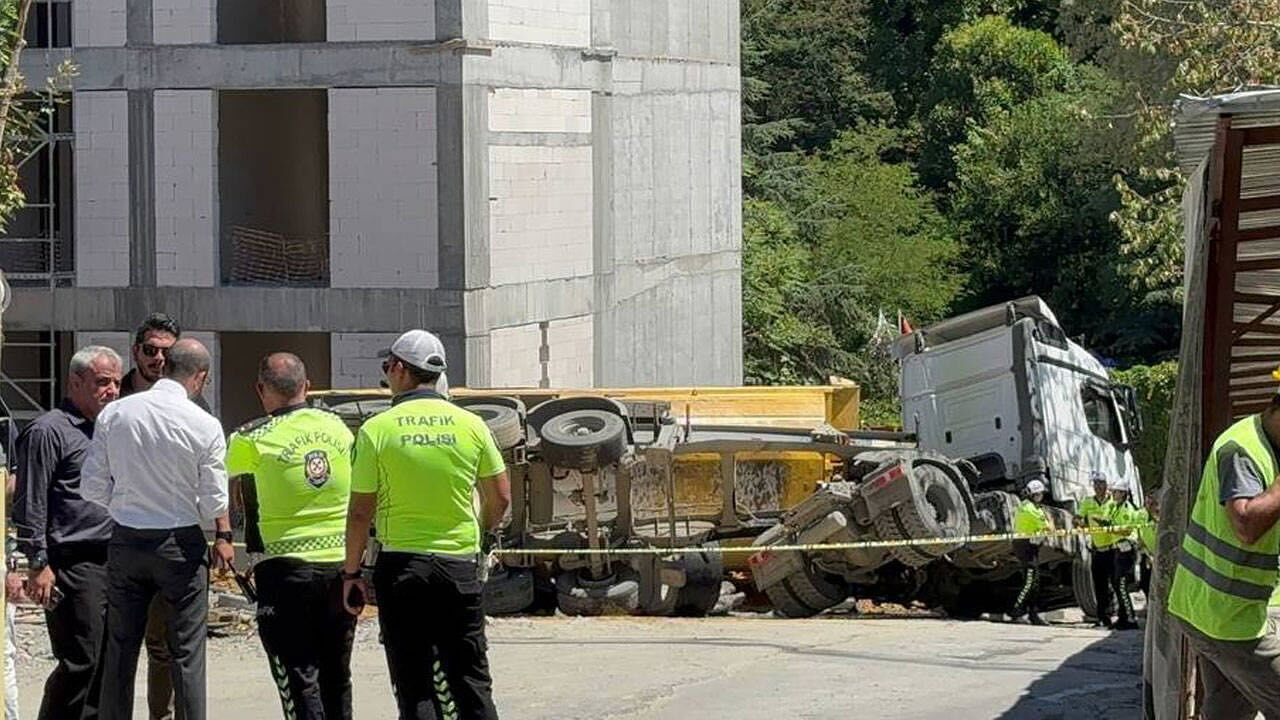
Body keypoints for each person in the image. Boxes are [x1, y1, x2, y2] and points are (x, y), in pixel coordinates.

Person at [342, 330, 511, 720]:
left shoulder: (377, 430)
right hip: (459, 566)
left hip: (403, 569)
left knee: (414, 682)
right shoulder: (472, 425)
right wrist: (483, 536)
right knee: (471, 679)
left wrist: (351, 572)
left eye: (387, 368)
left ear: (400, 369)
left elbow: (359, 514)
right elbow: (500, 497)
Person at [81, 339, 232, 720]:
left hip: (128, 539)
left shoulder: (116, 414)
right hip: (180, 543)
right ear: (200, 377)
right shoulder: (205, 423)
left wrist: (124, 504)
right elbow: (215, 502)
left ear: (164, 367)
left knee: (120, 648)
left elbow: (91, 487)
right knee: (187, 653)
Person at [225, 353, 356, 719]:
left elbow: (221, 491)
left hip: (283, 570)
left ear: (260, 389)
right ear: (307, 386)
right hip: (339, 567)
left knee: (298, 676)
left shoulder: (248, 438)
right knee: (337, 673)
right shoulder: (339, 429)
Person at [11, 346, 122, 719]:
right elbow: (30, 502)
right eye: (102, 382)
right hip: (73, 563)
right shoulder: (48, 431)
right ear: (76, 382)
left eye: (117, 384)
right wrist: (38, 563)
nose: (112, 391)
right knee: (81, 660)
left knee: (108, 662)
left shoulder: (108, 430)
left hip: (114, 559)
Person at [1167, 381, 1280, 718]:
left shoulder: (1271, 447)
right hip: (1229, 617)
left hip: (1209, 611)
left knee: (1228, 711)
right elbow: (1245, 524)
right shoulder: (1241, 449)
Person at [117, 312, 208, 720]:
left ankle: (162, 715)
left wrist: (222, 532)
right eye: (150, 350)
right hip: (117, 535)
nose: (157, 359)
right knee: (115, 643)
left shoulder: (196, 404)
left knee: (164, 642)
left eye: (165, 352)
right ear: (136, 352)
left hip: (171, 536)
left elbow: (210, 473)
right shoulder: (113, 400)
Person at [1078, 471, 1119, 627]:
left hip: (1112, 549)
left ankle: (1119, 615)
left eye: (1100, 483)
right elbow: (1079, 517)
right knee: (1099, 585)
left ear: (1106, 485)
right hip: (1097, 550)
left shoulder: (1113, 504)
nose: (1097, 487)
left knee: (1115, 584)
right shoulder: (1088, 502)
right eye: (1095, 484)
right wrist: (1079, 521)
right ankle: (1103, 617)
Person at [1010, 479, 1051, 625]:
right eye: (1040, 494)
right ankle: (1017, 612)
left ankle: (1033, 614)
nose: (1042, 496)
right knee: (1029, 581)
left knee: (1035, 581)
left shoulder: (1024, 506)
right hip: (1026, 546)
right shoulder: (1032, 510)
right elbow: (1048, 528)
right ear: (1035, 494)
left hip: (1026, 545)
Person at [1107, 480, 1139, 631]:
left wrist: (1110, 529)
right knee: (1116, 584)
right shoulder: (1116, 508)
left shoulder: (1127, 509)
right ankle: (1122, 617)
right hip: (1118, 549)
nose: (1113, 494)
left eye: (1116, 492)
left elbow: (1126, 531)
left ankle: (1130, 618)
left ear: (1124, 494)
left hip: (1126, 550)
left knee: (1121, 584)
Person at [1135, 491, 1159, 597]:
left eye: (1152, 502)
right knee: (1145, 583)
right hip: (1146, 554)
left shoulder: (1162, 516)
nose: (1149, 504)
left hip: (1160, 555)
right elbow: (1136, 530)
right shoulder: (1141, 515)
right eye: (1147, 500)